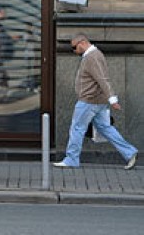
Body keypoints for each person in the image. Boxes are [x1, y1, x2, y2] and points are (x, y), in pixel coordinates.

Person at [53, 34, 138, 170]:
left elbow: (103, 79)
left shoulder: (92, 57)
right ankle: (129, 152)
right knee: (106, 129)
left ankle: (72, 159)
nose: (74, 51)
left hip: (89, 101)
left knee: (77, 128)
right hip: (98, 102)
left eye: (74, 47)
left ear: (81, 43)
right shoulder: (94, 55)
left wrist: (113, 99)